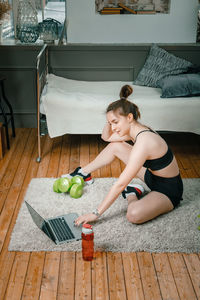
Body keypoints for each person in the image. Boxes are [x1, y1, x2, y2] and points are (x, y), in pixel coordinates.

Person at [62, 85, 183, 226]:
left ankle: (132, 192)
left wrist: (95, 213)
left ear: (130, 117)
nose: (113, 128)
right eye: (110, 123)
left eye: (115, 122)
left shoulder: (144, 141)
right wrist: (110, 118)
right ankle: (83, 172)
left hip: (168, 190)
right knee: (115, 145)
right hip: (152, 177)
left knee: (133, 215)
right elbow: (106, 137)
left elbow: (120, 183)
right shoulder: (135, 130)